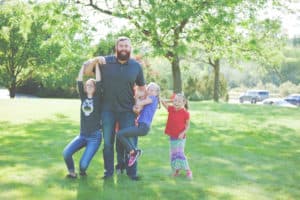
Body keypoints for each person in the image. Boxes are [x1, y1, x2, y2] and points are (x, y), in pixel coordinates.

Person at [83, 36, 146, 181]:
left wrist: (139, 103)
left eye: (126, 46)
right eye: (121, 46)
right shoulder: (105, 62)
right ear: (116, 48)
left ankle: (132, 173)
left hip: (128, 110)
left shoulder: (136, 66)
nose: (124, 48)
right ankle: (108, 172)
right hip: (107, 110)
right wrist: (94, 60)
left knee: (130, 142)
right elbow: (87, 72)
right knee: (108, 143)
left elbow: (142, 88)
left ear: (130, 48)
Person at [62, 63, 102, 179]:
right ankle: (72, 173)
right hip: (82, 135)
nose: (88, 86)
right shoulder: (83, 97)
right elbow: (79, 81)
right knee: (66, 153)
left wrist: (97, 64)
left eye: (91, 85)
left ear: (95, 88)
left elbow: (99, 80)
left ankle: (82, 171)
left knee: (83, 166)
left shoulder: (98, 98)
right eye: (87, 85)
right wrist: (82, 67)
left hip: (95, 137)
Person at [116, 82, 160, 167]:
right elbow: (137, 108)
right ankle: (133, 152)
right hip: (141, 126)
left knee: (120, 134)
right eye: (149, 89)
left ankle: (133, 152)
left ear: (156, 93)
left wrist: (136, 96)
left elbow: (139, 103)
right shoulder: (149, 100)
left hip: (143, 127)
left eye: (152, 90)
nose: (150, 91)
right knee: (121, 134)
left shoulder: (153, 98)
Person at [161, 93, 193, 180]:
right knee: (173, 155)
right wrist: (172, 101)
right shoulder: (171, 109)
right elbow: (162, 101)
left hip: (180, 137)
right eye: (175, 100)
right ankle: (177, 170)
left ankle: (188, 170)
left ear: (184, 102)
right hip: (172, 137)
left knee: (180, 154)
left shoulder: (186, 113)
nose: (176, 102)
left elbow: (187, 126)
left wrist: (183, 133)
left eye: (179, 101)